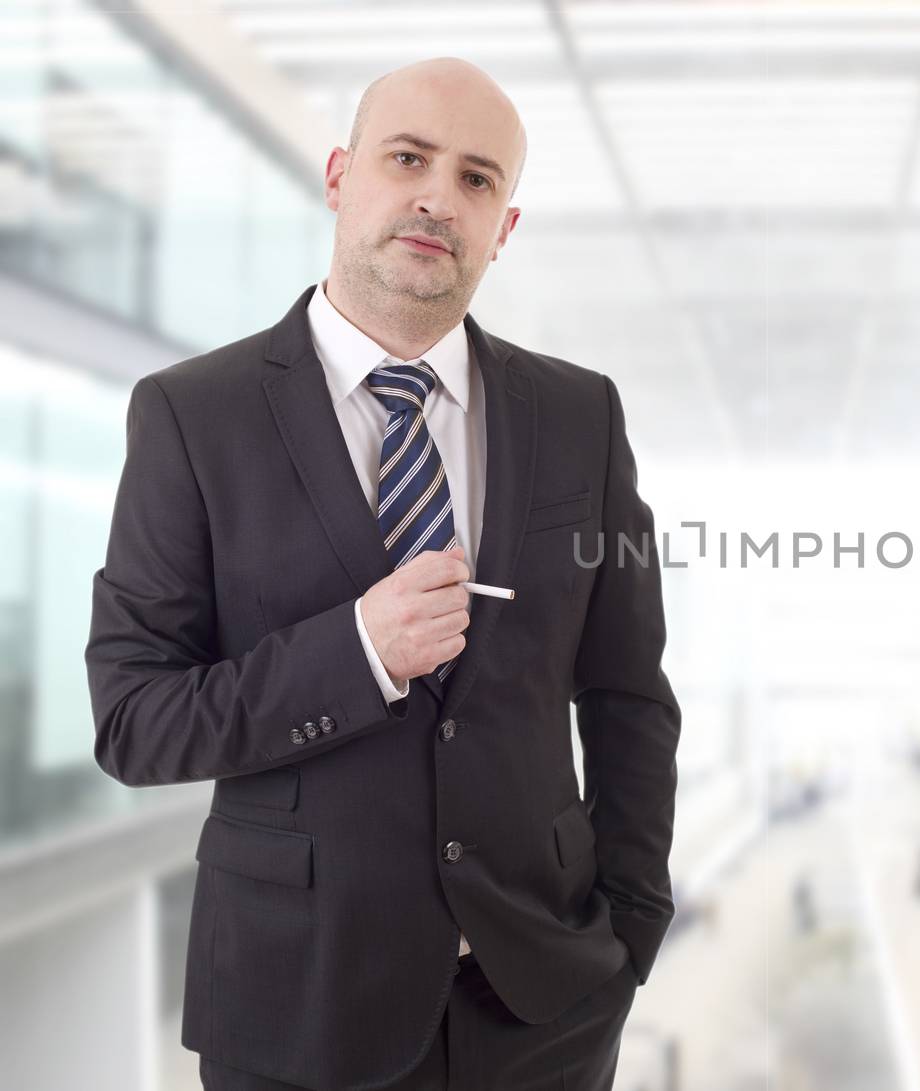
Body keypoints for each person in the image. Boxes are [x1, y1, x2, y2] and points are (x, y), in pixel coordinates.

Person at [83, 56, 681, 1091]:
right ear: (338, 176)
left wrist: (629, 932)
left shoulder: (581, 416)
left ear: (505, 226)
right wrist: (357, 652)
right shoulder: (192, 416)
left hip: (545, 1006)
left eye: (478, 179)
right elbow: (134, 716)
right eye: (409, 158)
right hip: (297, 1007)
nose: (438, 197)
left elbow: (629, 696)